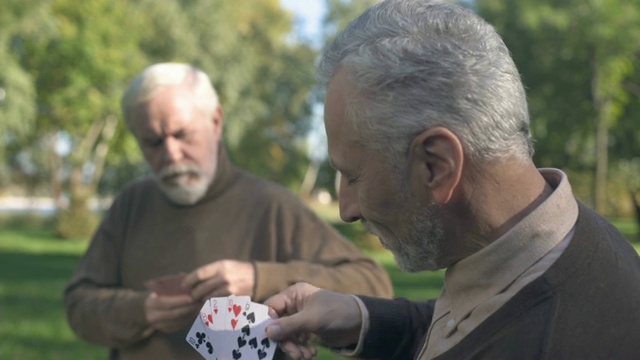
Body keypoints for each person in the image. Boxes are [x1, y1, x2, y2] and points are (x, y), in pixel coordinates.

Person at [263, 1, 640, 359]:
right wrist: (360, 317)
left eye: (352, 175)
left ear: (436, 165)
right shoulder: (554, 246)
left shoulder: (558, 342)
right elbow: (474, 322)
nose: (346, 210)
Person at [63, 62, 393, 360]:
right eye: (152, 142)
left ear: (216, 121)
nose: (171, 154)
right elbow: (78, 304)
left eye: (182, 134)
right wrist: (141, 311)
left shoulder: (271, 204)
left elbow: (374, 286)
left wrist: (260, 278)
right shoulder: (131, 204)